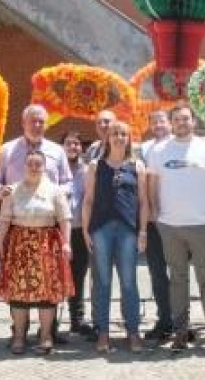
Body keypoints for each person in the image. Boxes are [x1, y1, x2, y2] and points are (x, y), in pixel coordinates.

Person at [0, 105, 73, 342]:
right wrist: (0, 191)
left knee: (49, 283)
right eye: (33, 121)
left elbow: (68, 182)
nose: (37, 125)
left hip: (49, 226)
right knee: (19, 285)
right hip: (17, 226)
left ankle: (47, 333)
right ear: (23, 122)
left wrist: (57, 193)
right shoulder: (7, 150)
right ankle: (19, 331)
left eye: (41, 122)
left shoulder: (57, 151)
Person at [148, 106, 205, 351]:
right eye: (177, 119)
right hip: (170, 225)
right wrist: (156, 214)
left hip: (202, 224)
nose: (181, 122)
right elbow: (152, 183)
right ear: (171, 123)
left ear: (193, 121)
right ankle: (181, 332)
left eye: (186, 118)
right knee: (178, 281)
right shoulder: (159, 149)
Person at [0, 150, 75, 355]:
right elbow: (4, 220)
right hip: (18, 245)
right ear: (24, 166)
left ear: (44, 167)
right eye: (30, 163)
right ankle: (20, 336)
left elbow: (65, 219)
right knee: (18, 293)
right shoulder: (12, 191)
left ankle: (46, 336)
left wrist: (66, 244)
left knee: (47, 294)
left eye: (38, 164)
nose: (34, 167)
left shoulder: (55, 191)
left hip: (47, 245)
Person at [82, 121, 149, 353]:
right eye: (115, 134)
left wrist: (142, 231)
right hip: (101, 229)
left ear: (129, 138)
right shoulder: (95, 166)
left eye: (124, 134)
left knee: (129, 282)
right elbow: (88, 200)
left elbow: (143, 202)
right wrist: (84, 230)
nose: (119, 137)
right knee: (102, 282)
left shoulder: (137, 166)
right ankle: (103, 332)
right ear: (107, 138)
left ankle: (133, 331)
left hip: (128, 231)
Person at [137, 109, 176, 341]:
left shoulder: (182, 145)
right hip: (153, 221)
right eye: (154, 122)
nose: (158, 125)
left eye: (162, 120)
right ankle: (164, 320)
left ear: (170, 123)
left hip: (179, 220)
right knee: (158, 272)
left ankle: (182, 321)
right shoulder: (144, 149)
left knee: (180, 273)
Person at [63, 132, 95, 338]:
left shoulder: (86, 172)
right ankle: (51, 320)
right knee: (57, 274)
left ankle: (77, 319)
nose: (73, 147)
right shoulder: (55, 169)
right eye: (68, 143)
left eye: (76, 144)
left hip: (80, 230)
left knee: (78, 275)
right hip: (58, 229)